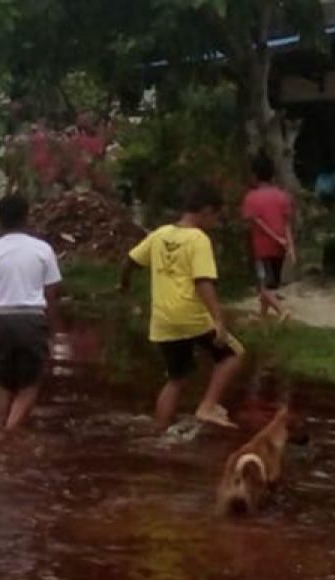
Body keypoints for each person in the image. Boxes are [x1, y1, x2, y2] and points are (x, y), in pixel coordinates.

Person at [121, 181, 244, 432]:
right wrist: (219, 320)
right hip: (192, 316)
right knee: (234, 355)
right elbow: (203, 282)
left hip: (163, 320)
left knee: (177, 378)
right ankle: (208, 405)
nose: (216, 223)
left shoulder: (159, 234)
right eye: (216, 217)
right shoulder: (198, 239)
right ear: (207, 211)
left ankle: (159, 431)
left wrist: (124, 286)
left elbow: (130, 261)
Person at [0, 194, 62, 431]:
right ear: (27, 217)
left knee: (4, 384)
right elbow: (51, 297)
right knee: (29, 385)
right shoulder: (43, 250)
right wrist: (52, 337)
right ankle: (9, 433)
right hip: (31, 320)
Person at [241, 153, 295, 320]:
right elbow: (287, 224)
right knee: (270, 284)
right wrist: (290, 246)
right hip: (280, 248)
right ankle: (262, 315)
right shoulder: (282, 196)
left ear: (254, 175)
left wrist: (276, 238)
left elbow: (256, 223)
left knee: (262, 286)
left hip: (262, 248)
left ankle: (281, 310)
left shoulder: (251, 198)